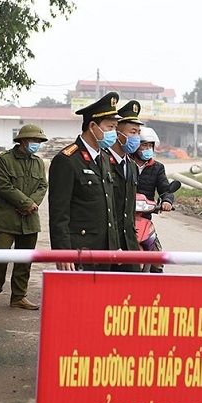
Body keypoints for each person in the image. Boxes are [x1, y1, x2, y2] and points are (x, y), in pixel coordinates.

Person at [49, 92, 120, 271]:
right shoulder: (67, 160)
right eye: (110, 127)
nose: (114, 133)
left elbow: (109, 207)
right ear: (92, 126)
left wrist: (114, 244)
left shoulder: (104, 158)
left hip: (105, 252)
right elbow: (59, 212)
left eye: (115, 128)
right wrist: (62, 251)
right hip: (79, 252)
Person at [0, 124, 49, 310]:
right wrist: (25, 203)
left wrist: (32, 204)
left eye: (39, 141)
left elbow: (42, 187)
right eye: (34, 140)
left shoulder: (38, 163)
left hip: (29, 218)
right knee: (1, 254)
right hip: (6, 216)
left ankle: (18, 296)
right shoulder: (5, 159)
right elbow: (4, 186)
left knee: (25, 259)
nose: (37, 144)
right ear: (23, 140)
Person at [107, 100, 143, 269]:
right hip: (107, 243)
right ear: (117, 133)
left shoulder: (131, 165)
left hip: (129, 242)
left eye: (138, 132)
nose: (136, 137)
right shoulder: (103, 161)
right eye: (133, 132)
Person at [134, 126, 174, 273]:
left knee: (157, 260)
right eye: (144, 145)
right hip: (123, 217)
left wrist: (167, 201)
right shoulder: (124, 163)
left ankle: (156, 286)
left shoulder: (157, 168)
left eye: (150, 145)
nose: (147, 148)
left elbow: (165, 189)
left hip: (145, 217)